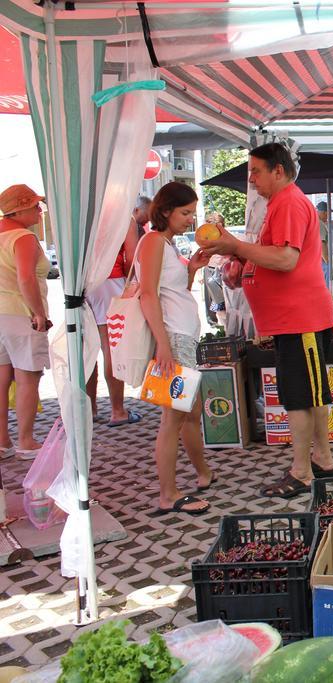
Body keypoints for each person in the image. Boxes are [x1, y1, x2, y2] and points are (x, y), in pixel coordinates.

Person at [198, 143, 333, 498]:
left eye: (256, 171)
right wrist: (241, 259)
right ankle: (322, 460)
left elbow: (286, 259)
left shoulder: (289, 201)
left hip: (299, 317)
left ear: (278, 170)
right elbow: (273, 255)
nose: (251, 178)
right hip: (293, 317)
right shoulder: (280, 203)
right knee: (311, 392)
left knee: (298, 397)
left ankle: (302, 471)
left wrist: (236, 247)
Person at [137, 182, 214, 515]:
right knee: (173, 417)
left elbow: (172, 293)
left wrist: (192, 270)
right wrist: (163, 347)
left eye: (192, 214)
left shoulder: (166, 243)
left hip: (183, 338)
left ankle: (203, 473)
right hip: (175, 339)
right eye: (185, 213)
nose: (190, 220)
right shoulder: (153, 241)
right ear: (165, 210)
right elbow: (148, 295)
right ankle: (168, 493)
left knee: (191, 412)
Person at [0, 185, 50, 457]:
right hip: (21, 314)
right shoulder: (23, 237)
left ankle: (3, 440)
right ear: (19, 208)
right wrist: (39, 313)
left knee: (2, 378)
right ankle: (26, 440)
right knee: (27, 377)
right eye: (34, 206)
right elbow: (26, 278)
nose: (40, 211)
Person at [86, 217, 141, 427]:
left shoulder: (81, 209)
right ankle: (117, 410)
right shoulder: (122, 215)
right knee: (111, 346)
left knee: (87, 347)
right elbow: (131, 256)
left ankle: (89, 408)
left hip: (82, 283)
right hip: (111, 280)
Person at [316, 201, 330, 286]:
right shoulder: (320, 224)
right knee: (325, 286)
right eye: (327, 214)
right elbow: (322, 244)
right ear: (324, 213)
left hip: (318, 261)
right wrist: (328, 261)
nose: (328, 216)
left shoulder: (315, 222)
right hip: (322, 261)